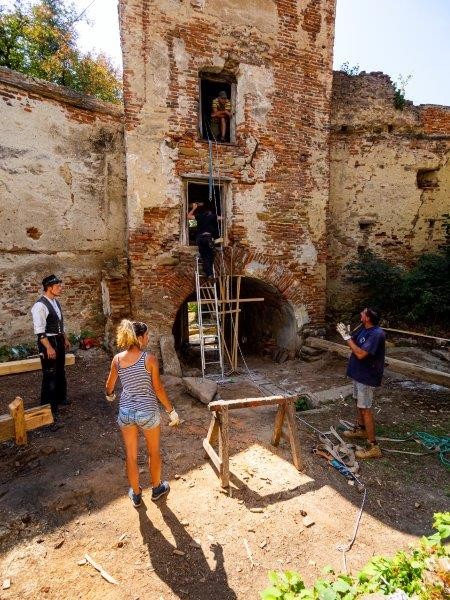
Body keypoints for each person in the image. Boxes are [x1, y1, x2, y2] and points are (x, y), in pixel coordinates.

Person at [105, 319, 180, 507]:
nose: (148, 338)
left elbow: (109, 386)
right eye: (146, 335)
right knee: (153, 452)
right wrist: (171, 411)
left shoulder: (117, 359)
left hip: (126, 412)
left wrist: (110, 396)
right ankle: (156, 488)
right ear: (139, 338)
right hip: (147, 411)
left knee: (131, 455)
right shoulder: (149, 359)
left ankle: (136, 494)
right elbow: (158, 389)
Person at [336, 307, 385, 460]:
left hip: (367, 376)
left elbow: (360, 354)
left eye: (363, 313)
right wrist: (347, 334)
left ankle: (373, 446)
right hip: (359, 374)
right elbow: (353, 342)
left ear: (368, 317)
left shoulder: (376, 334)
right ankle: (361, 430)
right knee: (359, 404)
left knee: (365, 409)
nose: (361, 314)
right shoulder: (364, 329)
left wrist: (346, 337)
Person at [31, 274, 70, 415]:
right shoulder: (40, 306)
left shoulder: (55, 302)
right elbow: (40, 331)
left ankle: (60, 398)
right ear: (49, 288)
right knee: (50, 374)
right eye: (58, 286)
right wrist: (48, 347)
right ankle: (48, 408)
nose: (60, 288)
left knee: (60, 370)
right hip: (48, 342)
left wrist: (64, 338)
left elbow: (59, 324)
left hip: (58, 340)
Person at [187, 202, 220, 278]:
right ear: (210, 211)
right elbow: (223, 218)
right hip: (207, 237)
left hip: (199, 238)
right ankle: (209, 273)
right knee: (210, 255)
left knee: (205, 255)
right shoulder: (212, 216)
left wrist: (194, 208)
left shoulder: (199, 216)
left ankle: (209, 273)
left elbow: (188, 216)